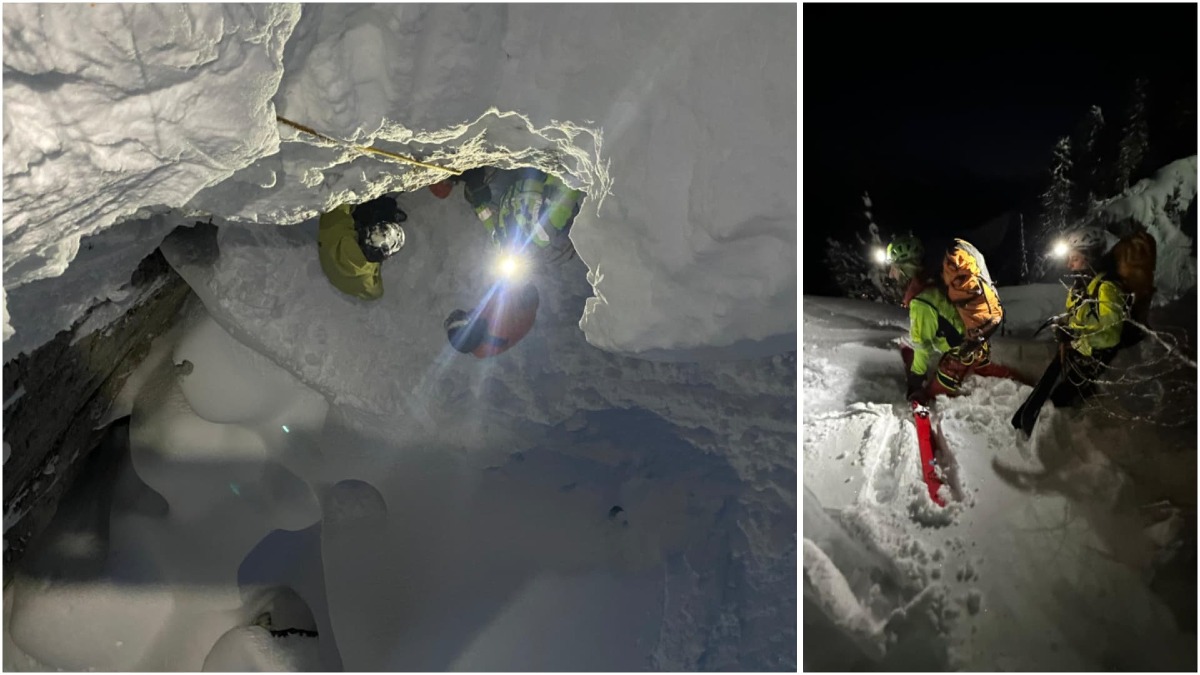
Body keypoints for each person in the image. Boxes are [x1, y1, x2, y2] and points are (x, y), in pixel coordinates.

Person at [887, 234, 1015, 403]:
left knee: (932, 395)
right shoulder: (934, 282)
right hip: (976, 340)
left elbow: (922, 347)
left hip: (961, 353)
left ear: (907, 268)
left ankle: (961, 374)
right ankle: (1015, 378)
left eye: (895, 269)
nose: (891, 275)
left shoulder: (920, 302)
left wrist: (916, 381)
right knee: (982, 366)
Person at [1046, 227, 1129, 407]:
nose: (1069, 265)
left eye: (1074, 259)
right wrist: (1063, 323)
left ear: (1091, 258)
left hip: (1099, 355)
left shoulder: (1107, 288)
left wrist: (1074, 333)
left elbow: (1111, 332)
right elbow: (1076, 316)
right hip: (1082, 350)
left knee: (1059, 400)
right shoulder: (1080, 286)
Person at [431, 166, 584, 258]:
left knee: (483, 182)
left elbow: (488, 221)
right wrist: (553, 172)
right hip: (536, 174)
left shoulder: (501, 242)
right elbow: (568, 192)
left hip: (512, 183)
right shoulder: (544, 232)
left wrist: (478, 202)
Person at [317, 195, 407, 301]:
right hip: (335, 272)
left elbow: (339, 202)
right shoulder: (366, 281)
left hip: (330, 255)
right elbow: (376, 293)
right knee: (385, 206)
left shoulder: (338, 231)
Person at [444, 280, 540, 358]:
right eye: (467, 319)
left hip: (514, 289)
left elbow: (489, 304)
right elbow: (520, 323)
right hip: (526, 295)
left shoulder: (479, 327)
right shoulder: (497, 335)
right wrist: (529, 303)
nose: (469, 315)